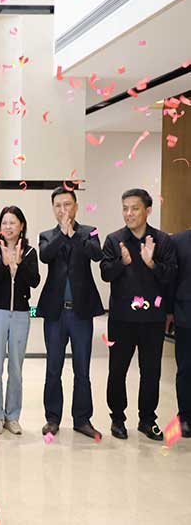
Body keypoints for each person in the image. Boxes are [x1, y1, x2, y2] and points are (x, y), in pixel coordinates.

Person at [101, 188, 177, 441]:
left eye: (135, 208)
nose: (129, 213)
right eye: (125, 208)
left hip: (152, 320)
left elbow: (171, 275)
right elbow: (105, 273)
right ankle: (117, 418)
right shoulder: (114, 240)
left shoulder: (162, 241)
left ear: (148, 210)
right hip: (121, 319)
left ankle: (147, 419)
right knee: (117, 370)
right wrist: (122, 262)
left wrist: (151, 263)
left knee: (151, 371)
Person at [37, 187, 104, 439]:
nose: (63, 210)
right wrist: (62, 235)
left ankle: (82, 419)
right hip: (55, 313)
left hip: (81, 313)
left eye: (67, 205)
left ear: (76, 206)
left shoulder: (90, 231)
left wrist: (73, 235)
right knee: (53, 368)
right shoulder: (46, 236)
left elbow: (96, 254)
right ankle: (52, 418)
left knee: (82, 369)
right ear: (53, 209)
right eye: (58, 206)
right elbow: (45, 256)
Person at [0, 206, 40, 435]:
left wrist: (19, 264)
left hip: (21, 314)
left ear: (21, 225)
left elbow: (34, 281)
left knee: (16, 368)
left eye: (12, 222)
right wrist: (4, 265)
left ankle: (13, 416)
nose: (8, 227)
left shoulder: (30, 252)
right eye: (4, 223)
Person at [168, 228, 191, 438]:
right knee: (185, 369)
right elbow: (170, 280)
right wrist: (168, 311)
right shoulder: (178, 241)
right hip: (186, 315)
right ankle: (185, 417)